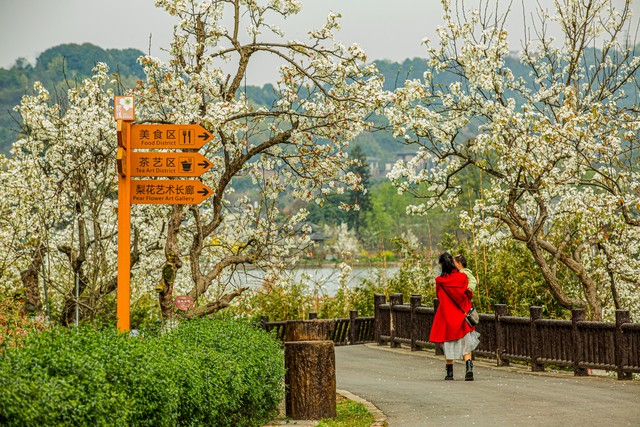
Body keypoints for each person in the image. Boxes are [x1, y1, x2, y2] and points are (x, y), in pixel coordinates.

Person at [429, 252, 480, 381]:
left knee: (448, 344)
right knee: (466, 345)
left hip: (447, 315)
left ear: (442, 265)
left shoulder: (440, 281)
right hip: (461, 316)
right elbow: (468, 294)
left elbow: (440, 296)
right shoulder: (462, 278)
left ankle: (450, 373)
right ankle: (469, 368)